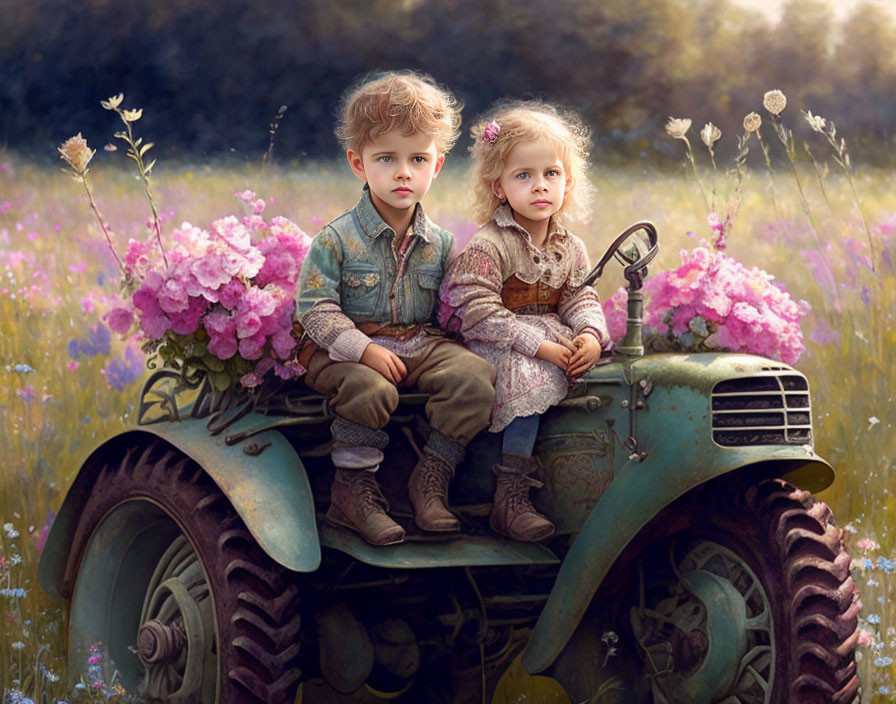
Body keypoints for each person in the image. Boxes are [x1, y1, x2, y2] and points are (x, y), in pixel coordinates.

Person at [296, 71, 496, 547]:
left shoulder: (442, 244)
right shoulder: (336, 238)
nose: (403, 172)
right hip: (341, 348)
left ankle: (431, 479)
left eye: (417, 159)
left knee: (475, 378)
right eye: (387, 158)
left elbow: (452, 309)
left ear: (437, 166)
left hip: (416, 341)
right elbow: (316, 309)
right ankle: (353, 492)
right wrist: (362, 349)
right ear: (358, 164)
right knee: (370, 388)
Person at [439, 102, 610, 542]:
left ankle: (573, 484)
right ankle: (509, 496)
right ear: (498, 186)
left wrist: (589, 333)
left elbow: (578, 295)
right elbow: (477, 309)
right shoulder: (490, 244)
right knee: (531, 374)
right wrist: (540, 345)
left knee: (600, 377)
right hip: (501, 341)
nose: (540, 186)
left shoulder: (569, 246)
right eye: (524, 176)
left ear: (568, 181)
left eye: (551, 174)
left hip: (551, 336)